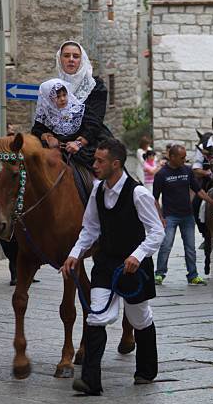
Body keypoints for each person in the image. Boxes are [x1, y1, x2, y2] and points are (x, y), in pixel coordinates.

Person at [61, 139, 165, 395]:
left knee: (139, 318)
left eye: (100, 161)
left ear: (115, 164)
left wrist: (138, 255)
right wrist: (74, 254)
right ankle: (90, 381)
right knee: (96, 315)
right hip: (106, 264)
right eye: (94, 160)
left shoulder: (138, 193)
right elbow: (90, 229)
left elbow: (157, 231)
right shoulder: (97, 192)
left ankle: (146, 371)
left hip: (134, 268)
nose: (94, 165)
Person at [31, 41, 112, 170]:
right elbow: (39, 124)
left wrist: (79, 143)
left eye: (76, 56)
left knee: (106, 169)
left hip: (88, 140)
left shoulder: (95, 86)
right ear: (59, 59)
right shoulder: (52, 86)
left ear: (82, 59)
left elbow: (96, 120)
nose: (71, 60)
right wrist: (48, 136)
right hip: (57, 144)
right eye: (66, 56)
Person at [153, 145, 213, 285]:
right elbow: (154, 199)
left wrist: (210, 201)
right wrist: (160, 217)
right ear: (172, 157)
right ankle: (159, 274)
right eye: (182, 157)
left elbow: (198, 190)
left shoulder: (187, 171)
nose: (185, 160)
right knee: (166, 245)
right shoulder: (161, 174)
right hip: (170, 216)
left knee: (190, 247)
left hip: (187, 216)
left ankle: (193, 275)